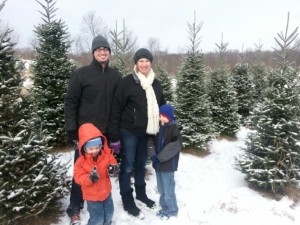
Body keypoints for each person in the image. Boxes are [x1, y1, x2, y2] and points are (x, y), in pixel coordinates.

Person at [64, 35, 122, 225]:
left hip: (104, 136)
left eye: (106, 49)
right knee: (81, 170)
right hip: (85, 137)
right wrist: (72, 130)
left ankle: (101, 204)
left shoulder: (115, 76)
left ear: (109, 53)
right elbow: (71, 102)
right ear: (93, 52)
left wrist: (114, 134)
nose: (103, 52)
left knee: (103, 171)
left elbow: (117, 105)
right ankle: (75, 206)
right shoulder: (82, 74)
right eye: (99, 49)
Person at [108, 48, 165, 217]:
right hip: (128, 131)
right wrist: (114, 136)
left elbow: (162, 104)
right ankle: (127, 199)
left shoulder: (156, 83)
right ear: (136, 63)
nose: (144, 64)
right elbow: (116, 108)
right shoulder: (127, 82)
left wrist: (164, 118)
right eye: (141, 61)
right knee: (127, 165)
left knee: (141, 163)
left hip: (146, 132)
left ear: (151, 63)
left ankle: (141, 194)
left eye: (147, 60)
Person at [74, 123, 120, 225]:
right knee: (97, 219)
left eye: (97, 147)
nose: (94, 150)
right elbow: (78, 177)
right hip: (92, 196)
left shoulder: (106, 155)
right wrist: (89, 178)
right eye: (91, 149)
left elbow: (113, 162)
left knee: (109, 214)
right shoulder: (81, 162)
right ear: (84, 148)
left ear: (101, 145)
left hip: (106, 192)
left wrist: (113, 168)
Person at [148, 104, 182, 220]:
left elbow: (175, 146)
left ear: (170, 117)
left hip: (167, 165)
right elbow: (151, 141)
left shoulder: (174, 129)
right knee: (161, 189)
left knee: (168, 190)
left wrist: (160, 157)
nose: (161, 119)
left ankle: (172, 210)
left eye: (164, 117)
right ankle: (164, 207)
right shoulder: (157, 127)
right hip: (158, 165)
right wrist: (153, 155)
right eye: (159, 116)